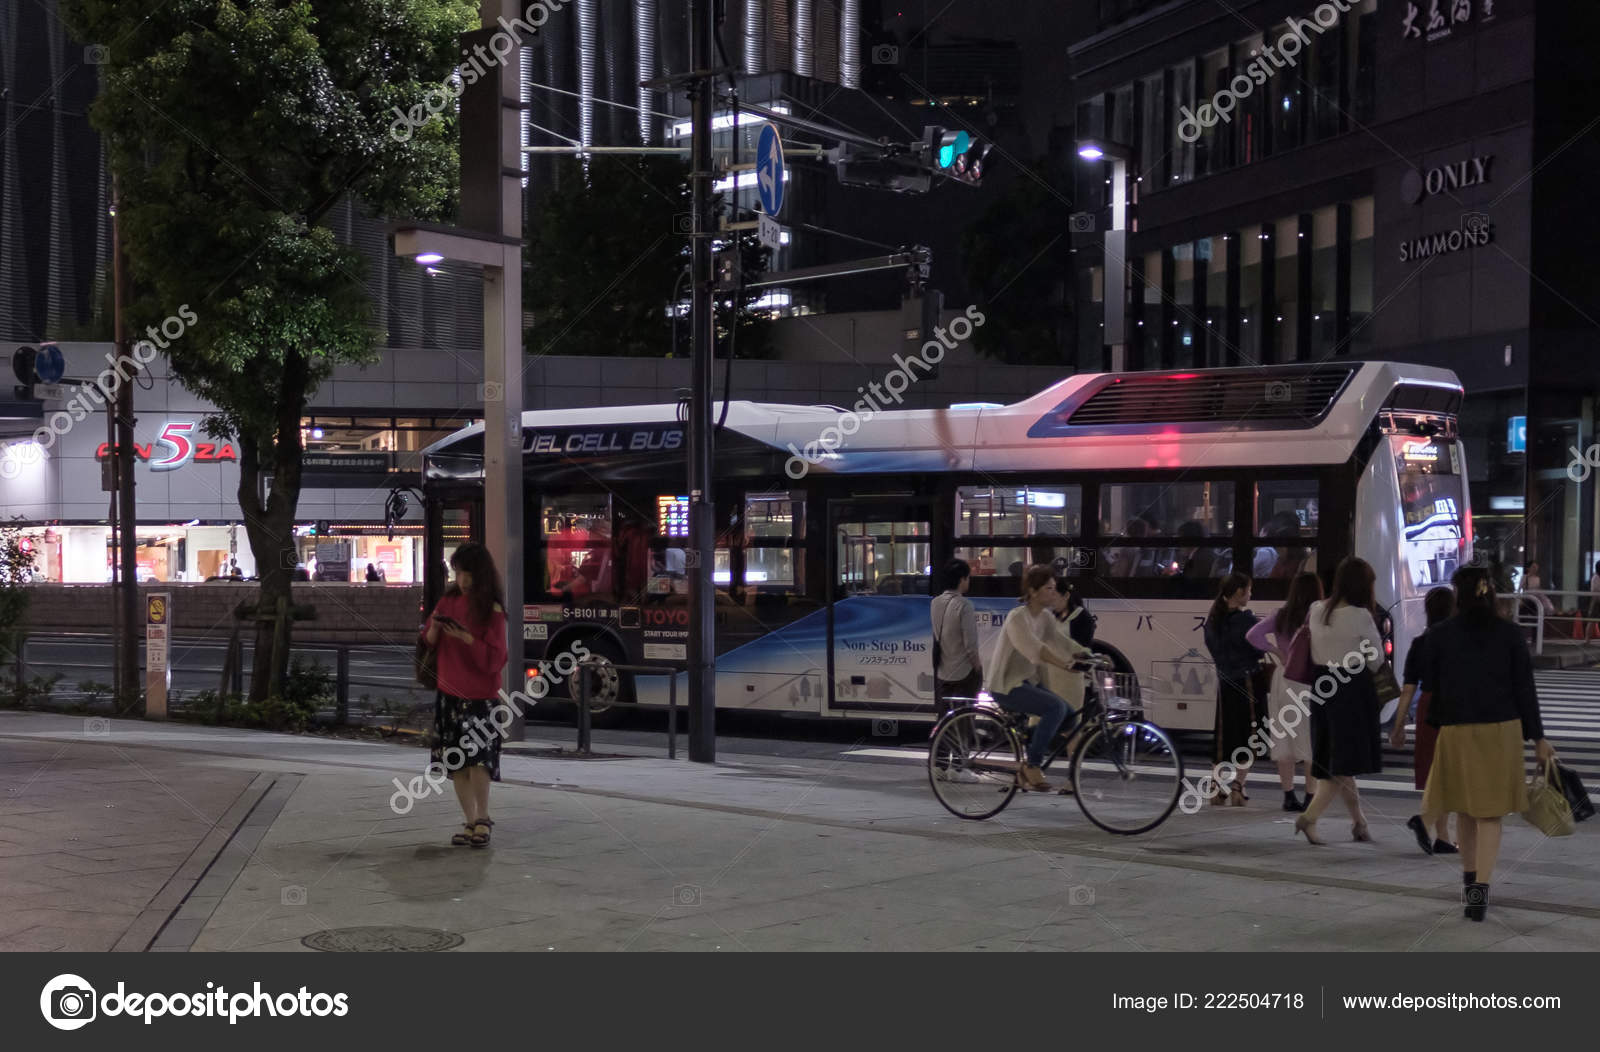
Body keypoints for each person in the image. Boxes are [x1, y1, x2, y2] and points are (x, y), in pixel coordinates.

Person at [1422, 567, 1555, 921]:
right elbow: (1525, 688)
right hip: (1502, 730)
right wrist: (1539, 737)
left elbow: (1431, 682)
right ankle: (1480, 891)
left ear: (1458, 594)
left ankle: (1468, 882)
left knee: (1465, 808)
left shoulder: (1439, 635)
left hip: (1457, 730)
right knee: (1490, 814)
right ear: (1491, 592)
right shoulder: (1510, 634)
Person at [420, 543, 509, 849]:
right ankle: (469, 821)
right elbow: (428, 643)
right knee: (456, 762)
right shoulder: (447, 602)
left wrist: (467, 638)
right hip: (449, 692)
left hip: (481, 697)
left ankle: (483, 819)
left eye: (467, 573)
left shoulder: (492, 610)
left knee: (479, 761)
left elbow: (496, 659)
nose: (462, 579)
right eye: (458, 572)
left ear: (480, 574)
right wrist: (436, 627)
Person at [1293, 557, 1385, 845]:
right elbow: (1376, 660)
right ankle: (1308, 819)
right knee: (1342, 763)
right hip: (1351, 690)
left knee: (1335, 758)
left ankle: (1359, 823)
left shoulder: (1316, 609)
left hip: (1322, 687)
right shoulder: (1360, 616)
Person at [983, 565, 1082, 792]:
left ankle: (1029, 743)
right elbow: (1034, 649)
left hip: (1027, 683)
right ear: (1033, 591)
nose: (1053, 593)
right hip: (1006, 685)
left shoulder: (1045, 618)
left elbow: (1061, 642)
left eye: (1054, 588)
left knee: (1069, 716)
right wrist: (1065, 664)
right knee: (1055, 707)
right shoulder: (1017, 617)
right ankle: (1032, 765)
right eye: (1048, 588)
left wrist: (1088, 654)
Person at [1246, 571, 1322, 811]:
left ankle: (1289, 796)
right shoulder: (1318, 615)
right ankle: (1311, 797)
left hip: (1283, 678)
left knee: (1283, 737)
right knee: (1310, 740)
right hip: (1309, 679)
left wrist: (1275, 650)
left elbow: (1252, 634)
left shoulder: (1281, 615)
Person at [1390, 586, 1456, 854]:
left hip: (1427, 706)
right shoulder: (1456, 641)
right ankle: (1430, 824)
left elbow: (1407, 689)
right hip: (1453, 705)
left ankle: (1442, 836)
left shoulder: (1419, 643)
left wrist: (1398, 726)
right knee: (1451, 773)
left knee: (1435, 772)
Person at [1203, 573, 1263, 806]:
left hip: (1225, 682)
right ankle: (1238, 788)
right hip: (1247, 681)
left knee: (1223, 736)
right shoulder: (1246, 621)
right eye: (1249, 590)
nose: (1250, 594)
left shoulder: (1213, 621)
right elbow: (1258, 649)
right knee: (1248, 736)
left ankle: (1216, 787)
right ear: (1239, 592)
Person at [931, 558, 984, 710]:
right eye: (968, 578)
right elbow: (970, 646)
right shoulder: (964, 605)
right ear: (962, 579)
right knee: (965, 717)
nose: (969, 581)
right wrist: (978, 668)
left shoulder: (935, 602)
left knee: (947, 719)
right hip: (964, 673)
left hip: (943, 672)